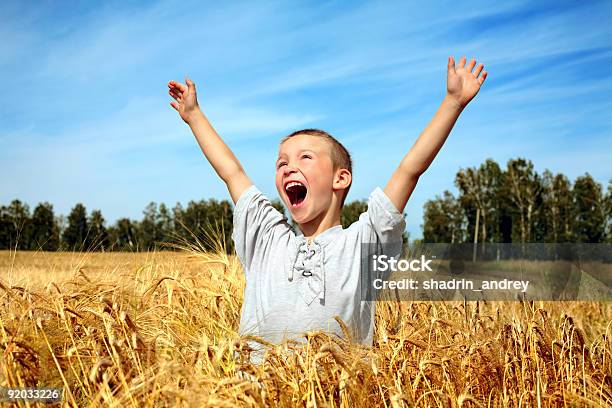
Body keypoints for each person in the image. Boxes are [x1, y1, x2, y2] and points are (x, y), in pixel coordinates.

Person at [168, 57, 487, 361]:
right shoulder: (267, 240)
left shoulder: (363, 245)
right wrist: (194, 116)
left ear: (341, 178)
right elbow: (232, 172)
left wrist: (452, 103)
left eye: (305, 157)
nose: (289, 167)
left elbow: (408, 171)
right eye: (282, 162)